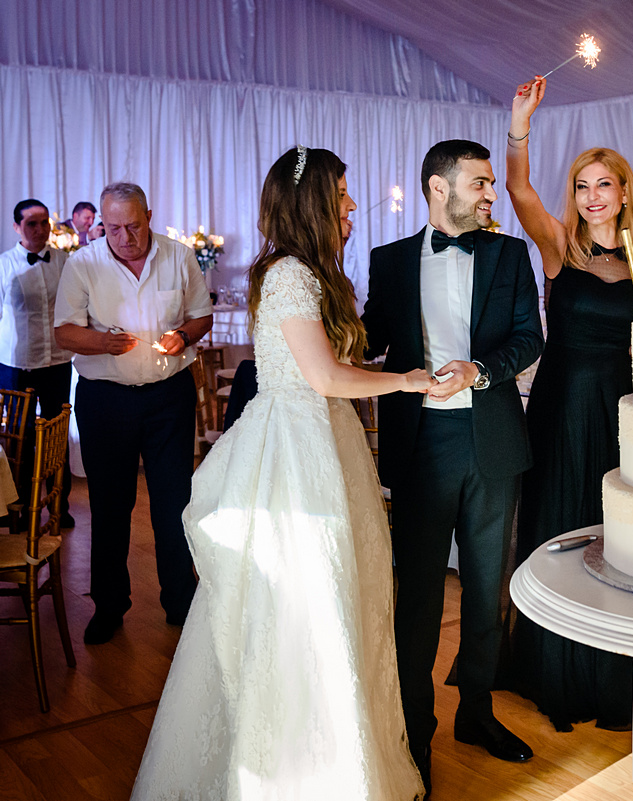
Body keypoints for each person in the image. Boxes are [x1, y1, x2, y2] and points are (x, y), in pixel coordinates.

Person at [130, 147, 430, 799]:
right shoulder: (290, 273)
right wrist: (408, 381)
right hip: (295, 453)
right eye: (342, 192)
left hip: (325, 439)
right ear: (313, 201)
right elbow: (323, 377)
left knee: (334, 599)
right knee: (305, 607)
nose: (352, 204)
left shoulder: (311, 273)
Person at [362, 139, 544, 794]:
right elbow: (371, 339)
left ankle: (477, 712)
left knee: (488, 588)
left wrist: (480, 369)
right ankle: (415, 731)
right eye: (480, 183)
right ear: (439, 188)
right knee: (418, 596)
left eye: (492, 183)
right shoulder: (387, 260)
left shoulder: (509, 254)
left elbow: (530, 336)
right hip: (421, 444)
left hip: (491, 436)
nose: (492, 194)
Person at [504, 76, 633, 731]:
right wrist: (520, 124)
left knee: (621, 540)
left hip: (625, 412)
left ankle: (619, 668)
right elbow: (519, 189)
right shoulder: (560, 247)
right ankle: (557, 669)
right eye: (582, 186)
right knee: (560, 530)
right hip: (561, 407)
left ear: (625, 192)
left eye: (604, 184)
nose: (593, 196)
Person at [54, 182, 213, 644]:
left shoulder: (179, 256)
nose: (124, 237)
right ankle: (108, 606)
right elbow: (64, 332)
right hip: (106, 400)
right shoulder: (83, 264)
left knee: (173, 502)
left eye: (134, 226)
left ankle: (180, 602)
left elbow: (201, 315)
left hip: (169, 397)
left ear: (149, 216)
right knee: (109, 505)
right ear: (103, 224)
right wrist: (102, 342)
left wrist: (184, 336)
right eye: (114, 228)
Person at [1, 199, 76, 527]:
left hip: (57, 361)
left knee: (57, 436)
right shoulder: (4, 265)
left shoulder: (65, 262)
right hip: (17, 364)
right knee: (21, 438)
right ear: (16, 227)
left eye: (45, 222)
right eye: (31, 223)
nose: (40, 229)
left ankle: (60, 506)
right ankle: (17, 510)